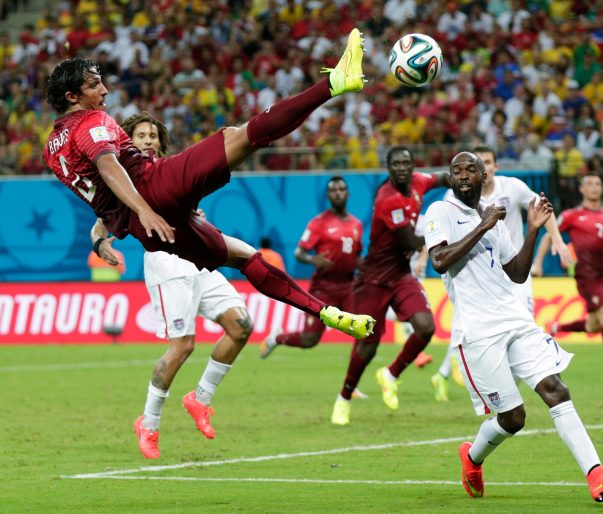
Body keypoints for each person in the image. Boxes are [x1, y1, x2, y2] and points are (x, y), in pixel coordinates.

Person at [42, 32, 374, 354]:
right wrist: (144, 207)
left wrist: (103, 235)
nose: (104, 89)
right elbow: (108, 165)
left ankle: (327, 314)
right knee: (240, 136)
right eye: (93, 84)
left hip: (152, 233)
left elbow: (100, 192)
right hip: (153, 189)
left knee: (244, 258)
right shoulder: (90, 122)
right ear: (72, 97)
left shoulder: (51, 150)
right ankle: (334, 84)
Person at [423, 151, 603, 503]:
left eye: (470, 170)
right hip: (479, 332)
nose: (463, 175)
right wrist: (483, 227)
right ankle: (472, 457)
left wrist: (533, 231)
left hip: (516, 320)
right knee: (513, 418)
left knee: (556, 389)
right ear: (450, 179)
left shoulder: (490, 214)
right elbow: (438, 261)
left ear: (483, 177)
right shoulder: (441, 212)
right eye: (456, 171)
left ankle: (596, 474)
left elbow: (517, 272)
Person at [91, 113, 253, 459]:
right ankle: (148, 423)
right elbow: (100, 224)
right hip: (167, 265)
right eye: (141, 135)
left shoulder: (171, 172)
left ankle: (200, 398)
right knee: (182, 346)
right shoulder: (125, 181)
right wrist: (100, 244)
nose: (148, 140)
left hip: (197, 259)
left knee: (241, 326)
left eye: (153, 135)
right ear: (128, 143)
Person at [431, 146, 571, 402]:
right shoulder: (448, 207)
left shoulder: (512, 188)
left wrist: (555, 240)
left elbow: (542, 210)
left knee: (522, 335)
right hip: (482, 284)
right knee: (481, 335)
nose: (465, 174)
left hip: (513, 273)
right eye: (458, 170)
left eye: (478, 165)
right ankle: (456, 376)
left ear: (491, 169)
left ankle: (515, 390)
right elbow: (437, 250)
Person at [330, 146, 450, 425]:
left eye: (406, 163)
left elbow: (442, 178)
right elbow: (409, 243)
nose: (401, 168)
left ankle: (391, 374)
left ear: (412, 165)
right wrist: (444, 233)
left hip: (400, 275)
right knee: (368, 345)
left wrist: (463, 178)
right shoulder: (388, 199)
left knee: (426, 327)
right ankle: (344, 398)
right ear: (388, 168)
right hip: (373, 279)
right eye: (396, 163)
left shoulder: (420, 181)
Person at [533, 174, 603, 383]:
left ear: (602, 189)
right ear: (581, 190)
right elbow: (549, 235)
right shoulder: (572, 215)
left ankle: (556, 328)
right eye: (589, 184)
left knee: (594, 325)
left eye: (597, 184)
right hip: (585, 275)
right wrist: (538, 263)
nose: (594, 187)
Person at [260, 176, 363, 357]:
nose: (338, 194)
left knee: (363, 330)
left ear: (348, 194)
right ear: (328, 195)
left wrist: (369, 266)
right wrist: (312, 259)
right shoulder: (319, 223)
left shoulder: (357, 224)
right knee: (309, 339)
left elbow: (356, 257)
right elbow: (299, 253)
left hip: (349, 286)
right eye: (333, 190)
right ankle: (276, 338)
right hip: (323, 287)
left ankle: (351, 383)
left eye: (341, 190)